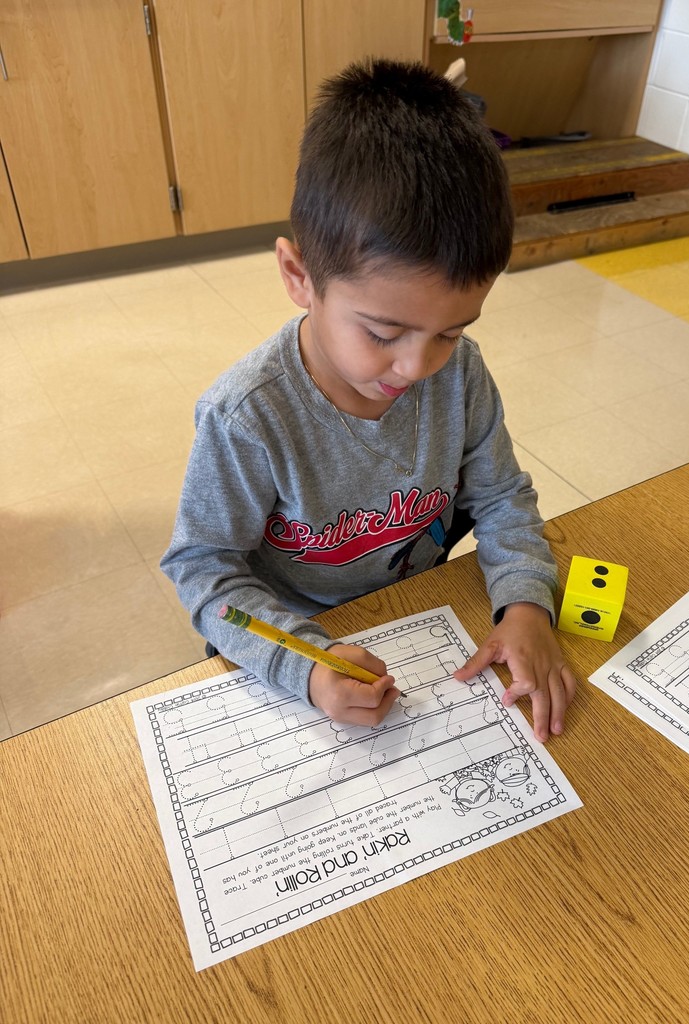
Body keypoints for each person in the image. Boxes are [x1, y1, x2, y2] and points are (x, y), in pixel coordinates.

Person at [161, 59, 576, 741]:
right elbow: (203, 572)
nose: (417, 366)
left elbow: (502, 497)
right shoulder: (247, 417)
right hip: (300, 642)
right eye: (384, 333)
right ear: (299, 276)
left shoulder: (460, 374)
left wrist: (526, 603)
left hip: (420, 610)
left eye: (450, 332)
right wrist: (304, 666)